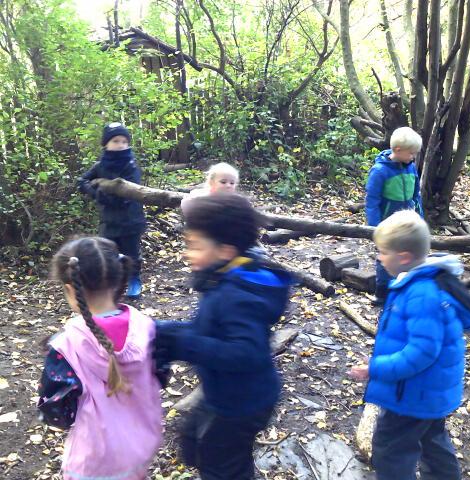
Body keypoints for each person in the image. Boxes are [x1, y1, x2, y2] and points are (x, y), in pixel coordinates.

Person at [154, 194, 293, 480]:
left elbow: (245, 353)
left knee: (224, 464)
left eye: (195, 247)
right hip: (226, 391)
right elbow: (208, 329)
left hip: (243, 403)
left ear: (226, 251)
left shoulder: (237, 293)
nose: (187, 254)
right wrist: (166, 331)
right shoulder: (225, 278)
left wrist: (182, 344)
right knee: (197, 441)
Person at [348, 210, 470, 480]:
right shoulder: (420, 282)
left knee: (391, 450)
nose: (379, 257)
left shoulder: (422, 294)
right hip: (427, 391)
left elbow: (421, 352)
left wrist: (375, 368)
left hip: (413, 394)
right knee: (433, 441)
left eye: (382, 252)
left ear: (404, 257)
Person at [37, 237, 163, 480]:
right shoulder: (147, 327)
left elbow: (56, 413)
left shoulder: (66, 347)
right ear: (119, 278)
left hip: (94, 462)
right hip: (140, 448)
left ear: (70, 289)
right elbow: (161, 375)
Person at [78, 122, 146, 299]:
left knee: (131, 252)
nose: (121, 145)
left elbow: (127, 196)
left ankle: (134, 279)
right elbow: (82, 182)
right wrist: (94, 192)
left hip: (130, 219)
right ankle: (112, 282)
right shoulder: (100, 166)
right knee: (108, 252)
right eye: (116, 141)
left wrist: (103, 195)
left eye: (124, 141)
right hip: (108, 220)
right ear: (106, 144)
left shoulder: (130, 166)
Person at [365, 127, 424, 304]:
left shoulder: (410, 168)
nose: (413, 157)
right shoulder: (380, 171)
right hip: (387, 224)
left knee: (407, 255)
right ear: (398, 150)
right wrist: (374, 227)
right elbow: (372, 201)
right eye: (411, 153)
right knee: (386, 256)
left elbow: (416, 194)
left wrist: (419, 215)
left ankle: (403, 290)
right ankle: (382, 292)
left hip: (406, 222)